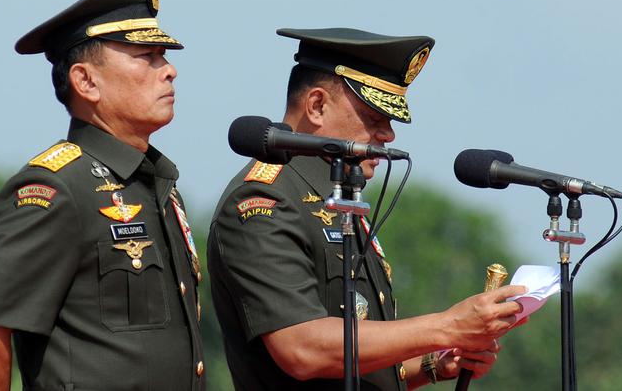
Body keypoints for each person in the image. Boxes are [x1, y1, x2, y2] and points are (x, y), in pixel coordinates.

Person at [208, 28, 525, 390]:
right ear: (316, 106)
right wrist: (447, 325)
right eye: (374, 117)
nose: (388, 136)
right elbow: (302, 348)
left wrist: (434, 361)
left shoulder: (336, 199)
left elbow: (356, 356)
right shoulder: (265, 201)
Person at [0, 0, 207, 391]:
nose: (169, 69)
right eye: (147, 56)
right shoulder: (55, 188)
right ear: (86, 82)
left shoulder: (154, 182)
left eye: (163, 54)